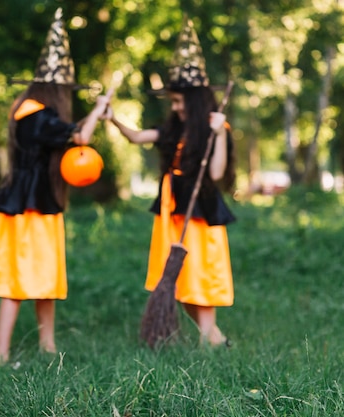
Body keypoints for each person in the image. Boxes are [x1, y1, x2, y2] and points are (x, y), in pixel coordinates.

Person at [0, 8, 112, 364]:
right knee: (21, 280)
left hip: (24, 202)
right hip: (33, 207)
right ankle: (4, 353)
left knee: (39, 277)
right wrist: (99, 109)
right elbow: (81, 136)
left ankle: (40, 348)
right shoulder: (40, 116)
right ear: (57, 91)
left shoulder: (25, 110)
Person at [102, 16, 236, 347]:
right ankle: (214, 337)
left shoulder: (215, 128)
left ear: (194, 100)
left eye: (179, 102)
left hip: (200, 210)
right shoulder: (173, 129)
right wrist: (112, 117)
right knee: (177, 274)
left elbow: (217, 173)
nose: (175, 108)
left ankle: (210, 335)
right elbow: (136, 137)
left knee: (201, 271)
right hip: (171, 209)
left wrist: (219, 133)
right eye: (172, 102)